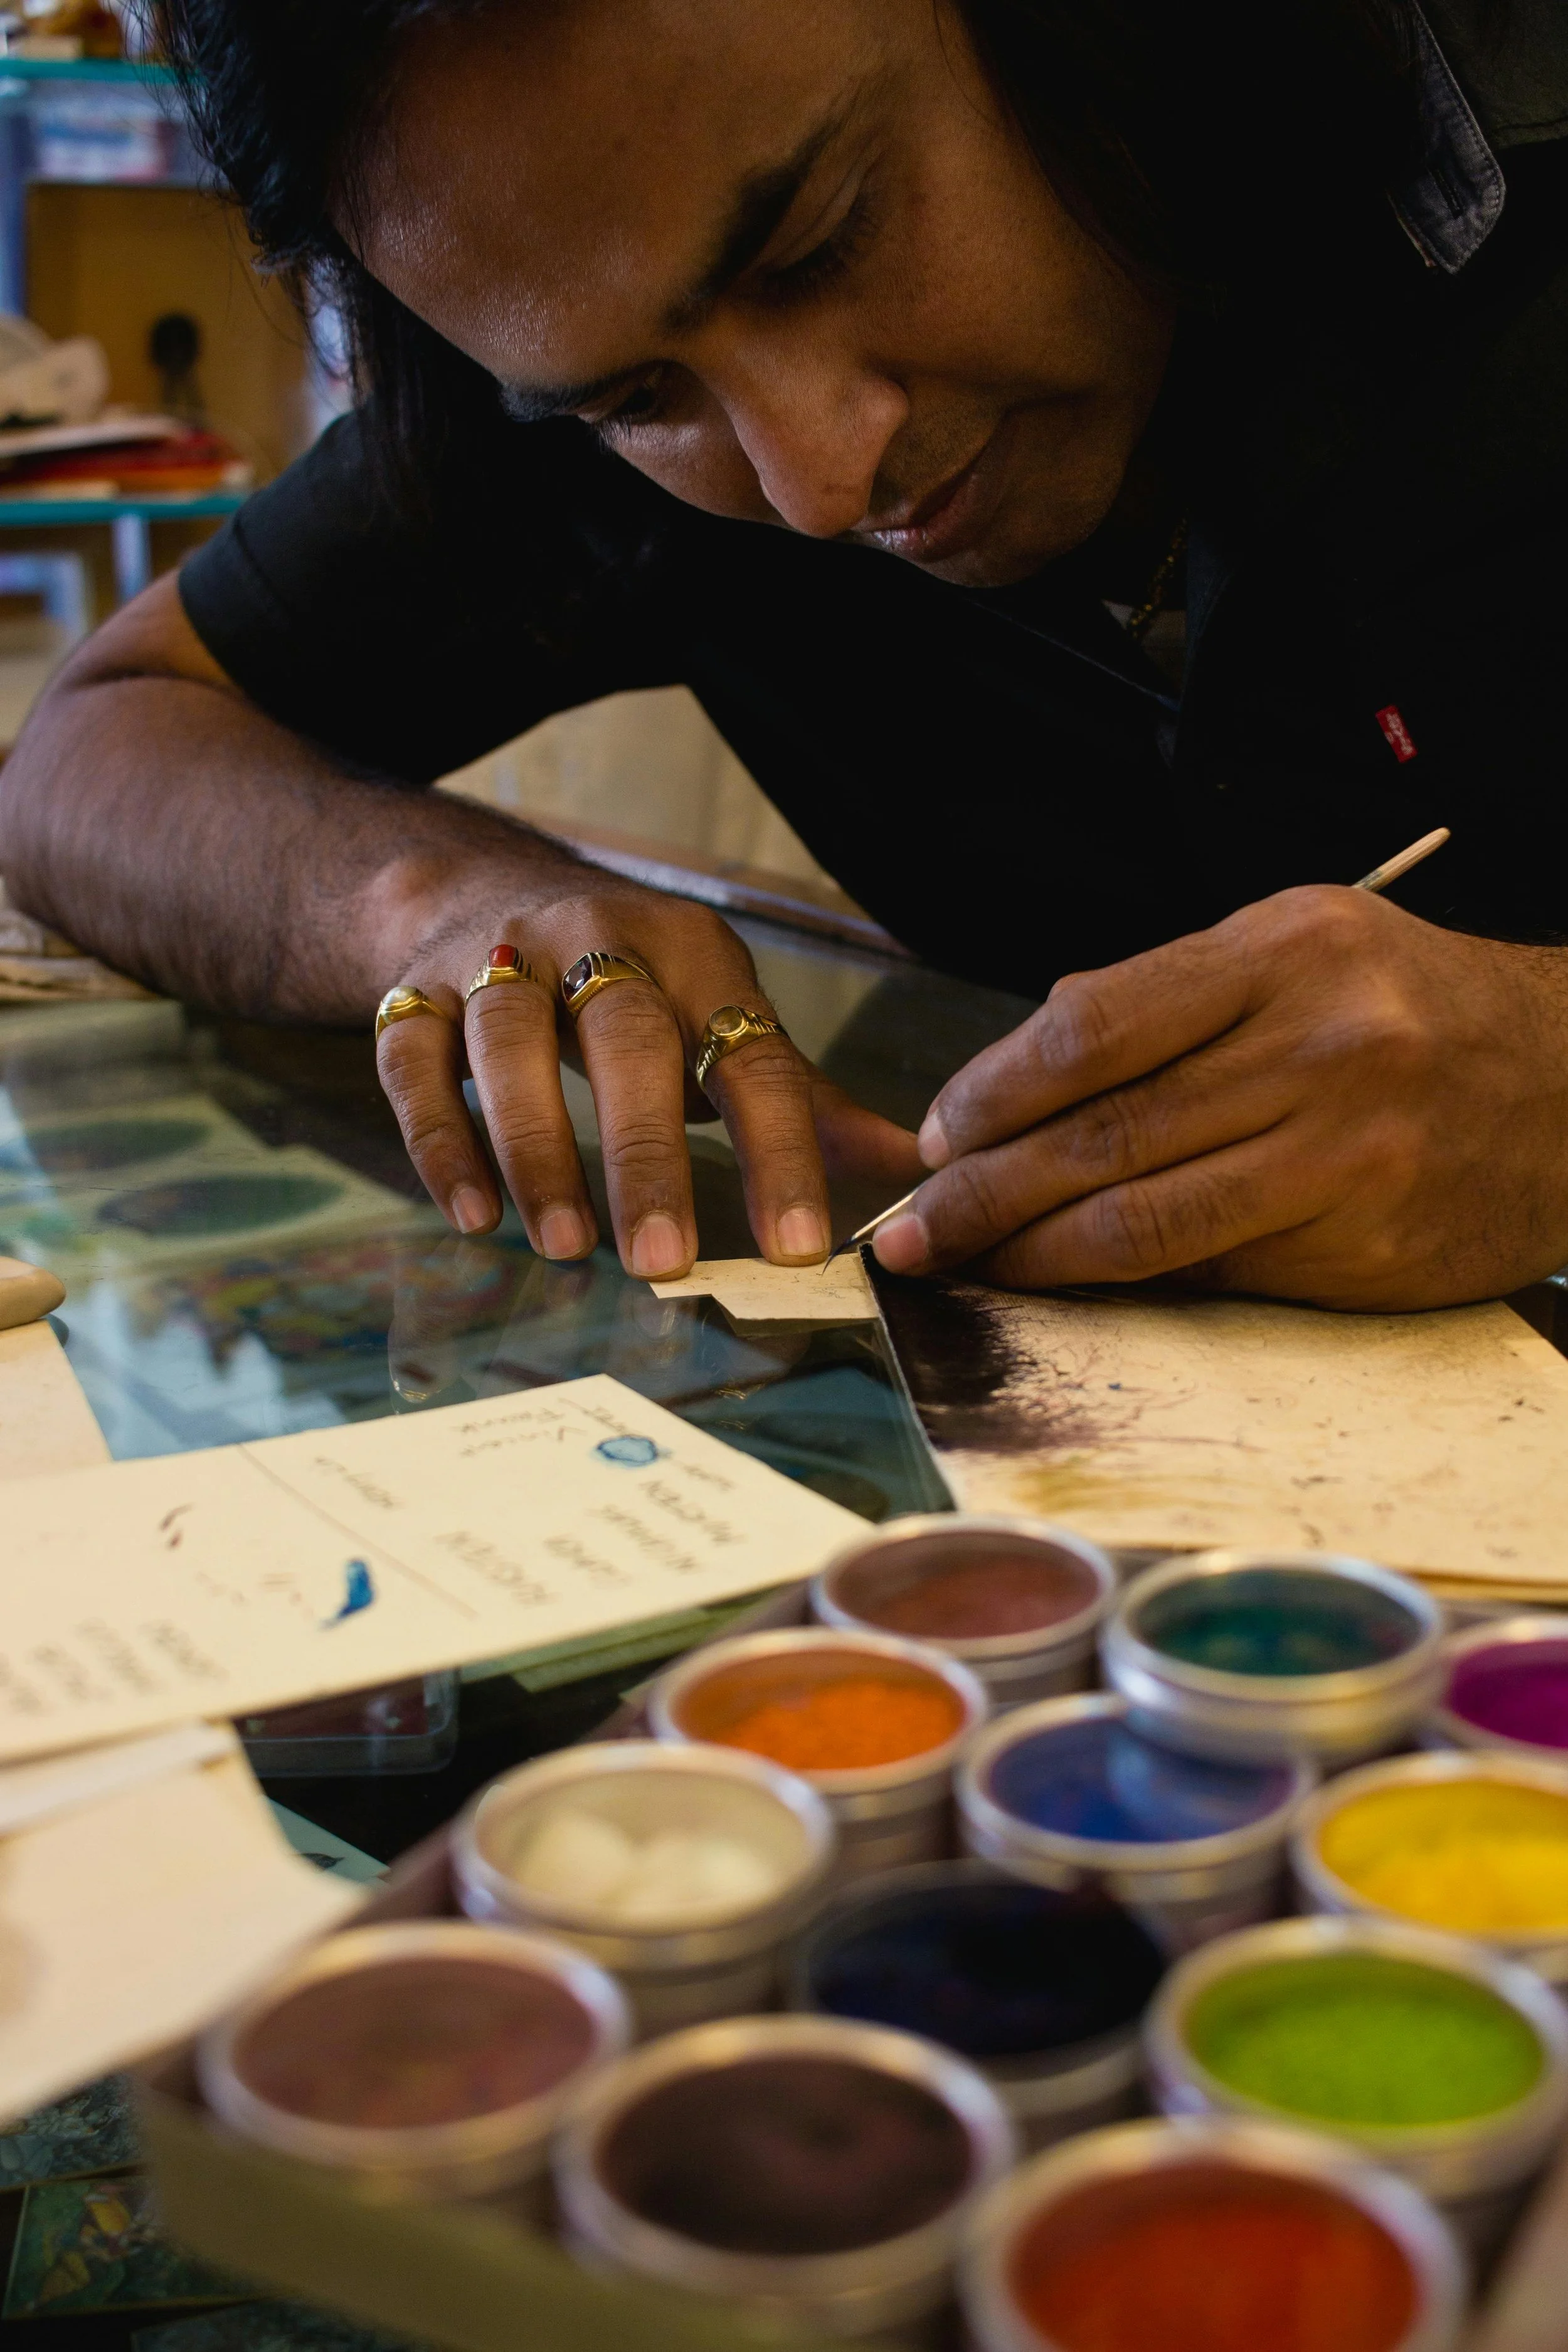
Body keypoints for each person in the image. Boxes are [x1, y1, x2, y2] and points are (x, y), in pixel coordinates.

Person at [2, 0, 1566, 1311]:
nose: (820, 480)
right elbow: (98, 746)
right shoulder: (588, 361)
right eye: (634, 401)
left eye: (819, 239)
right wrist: (448, 910)